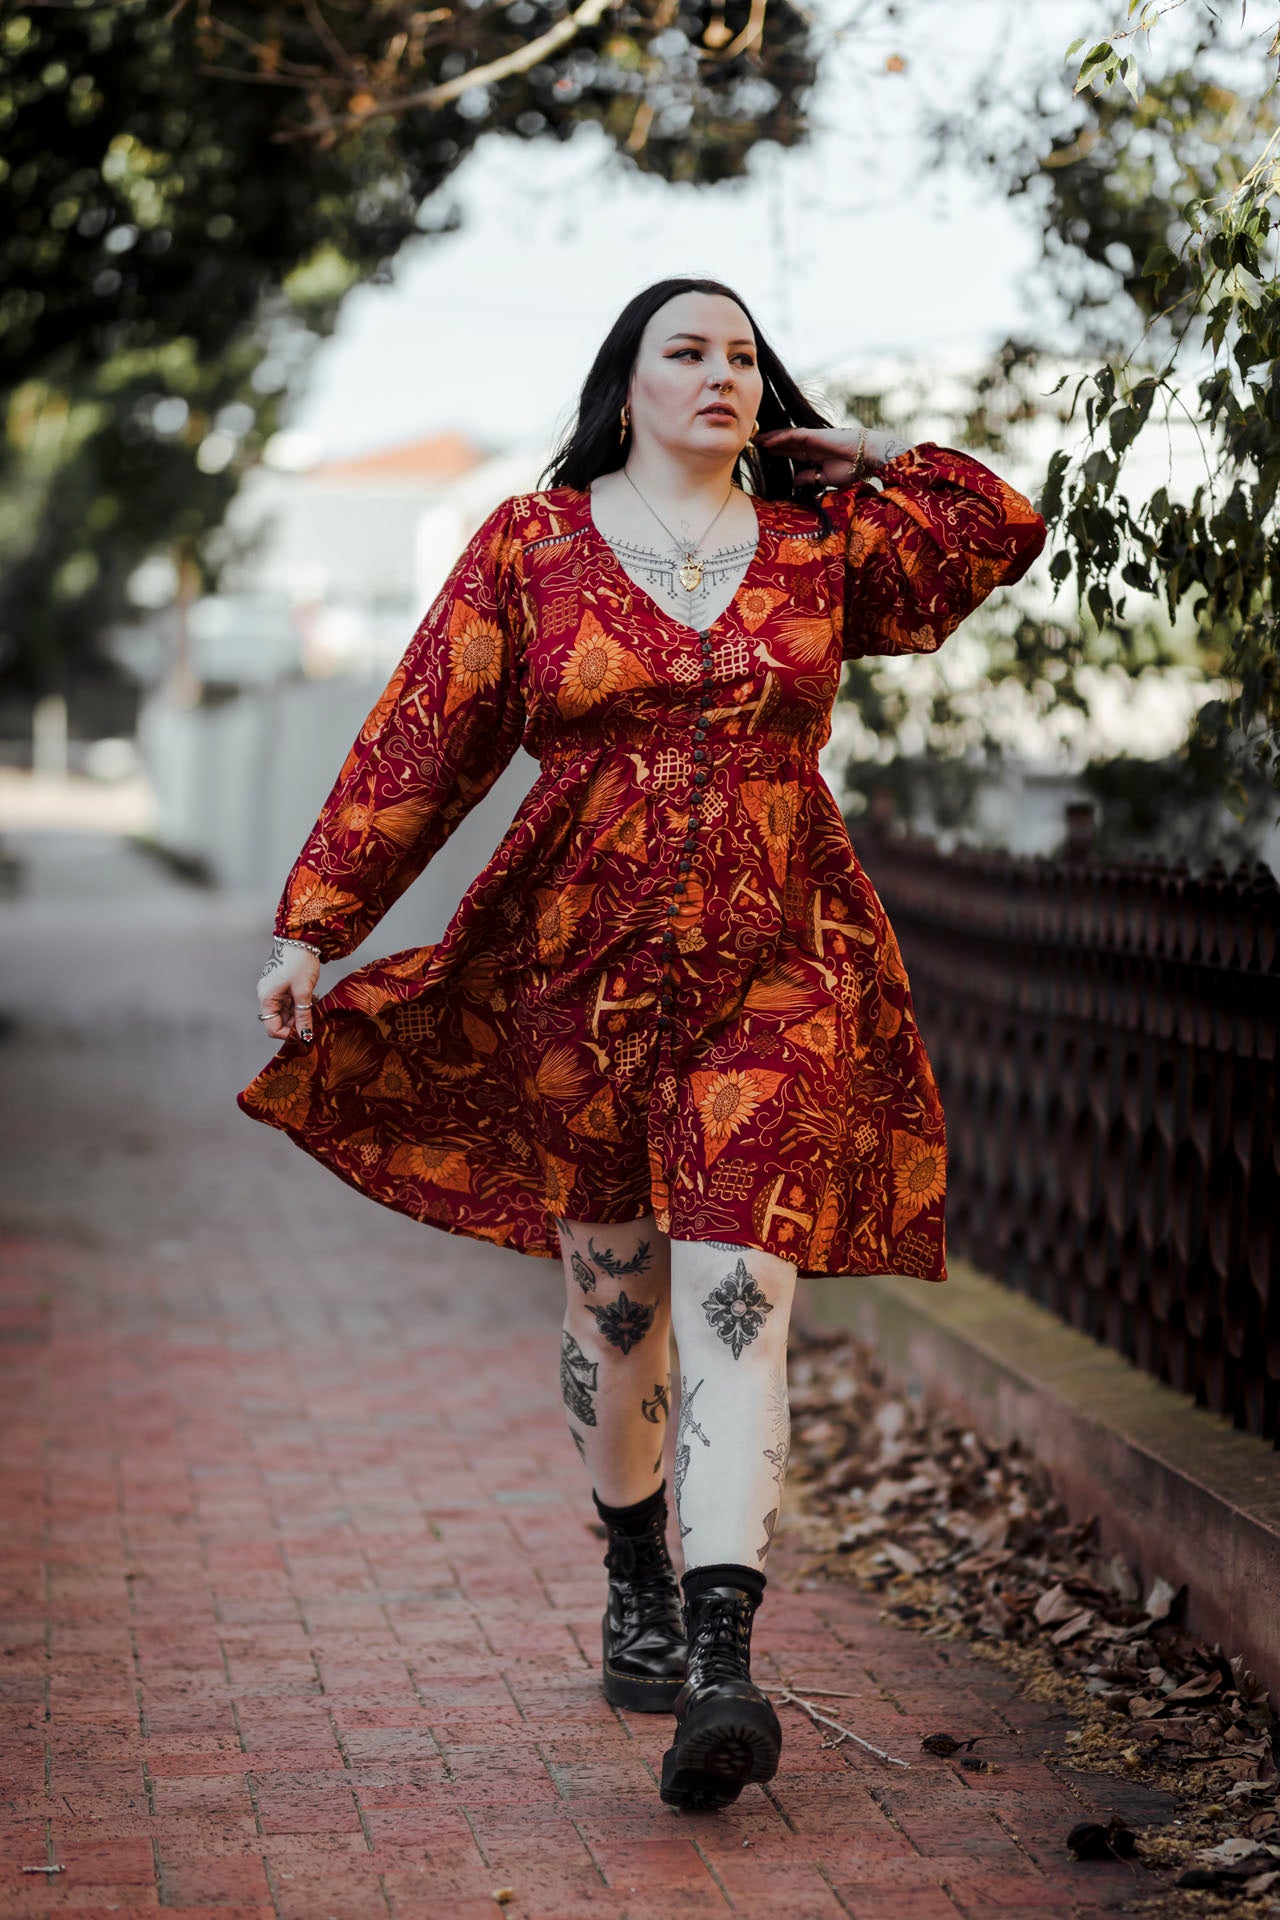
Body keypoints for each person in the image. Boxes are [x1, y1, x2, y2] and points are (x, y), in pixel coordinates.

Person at [240, 275, 1046, 1811]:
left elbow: (990, 533)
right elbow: (424, 737)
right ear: (628, 385)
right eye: (689, 352)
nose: (723, 376)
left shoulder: (822, 548)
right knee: (622, 1316)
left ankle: (727, 1659)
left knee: (743, 1295)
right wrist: (315, 925)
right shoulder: (530, 549)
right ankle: (635, 1569)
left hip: (778, 965)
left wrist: (863, 448)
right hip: (577, 970)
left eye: (746, 358)